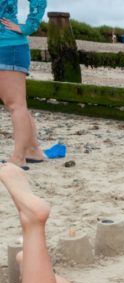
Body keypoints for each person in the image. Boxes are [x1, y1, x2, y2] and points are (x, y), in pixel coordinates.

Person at [0, 0, 47, 167]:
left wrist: (27, 27)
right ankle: (33, 150)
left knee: (15, 104)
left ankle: (18, 158)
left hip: (8, 48)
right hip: (7, 47)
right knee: (16, 104)